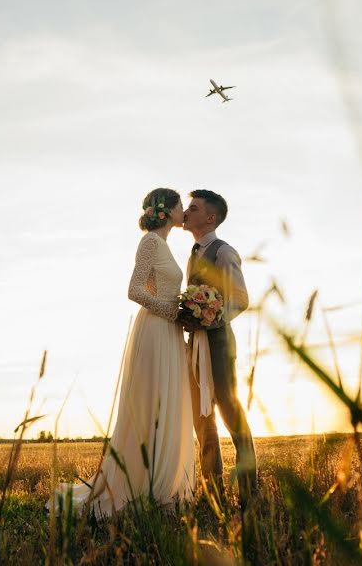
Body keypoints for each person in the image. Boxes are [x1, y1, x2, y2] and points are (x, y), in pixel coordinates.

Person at [51, 188, 195, 517]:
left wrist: (183, 311)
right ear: (166, 210)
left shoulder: (167, 245)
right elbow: (134, 290)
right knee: (152, 406)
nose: (183, 211)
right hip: (156, 329)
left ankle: (164, 488)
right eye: (179, 205)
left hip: (170, 330)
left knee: (169, 404)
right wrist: (172, 311)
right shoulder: (150, 243)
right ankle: (152, 493)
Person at [181, 189, 257, 506]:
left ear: (210, 217)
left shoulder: (224, 253)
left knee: (230, 410)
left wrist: (210, 316)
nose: (186, 211)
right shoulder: (193, 253)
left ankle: (250, 495)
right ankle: (214, 494)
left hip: (219, 343)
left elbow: (240, 299)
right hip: (194, 345)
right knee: (202, 418)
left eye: (193, 207)